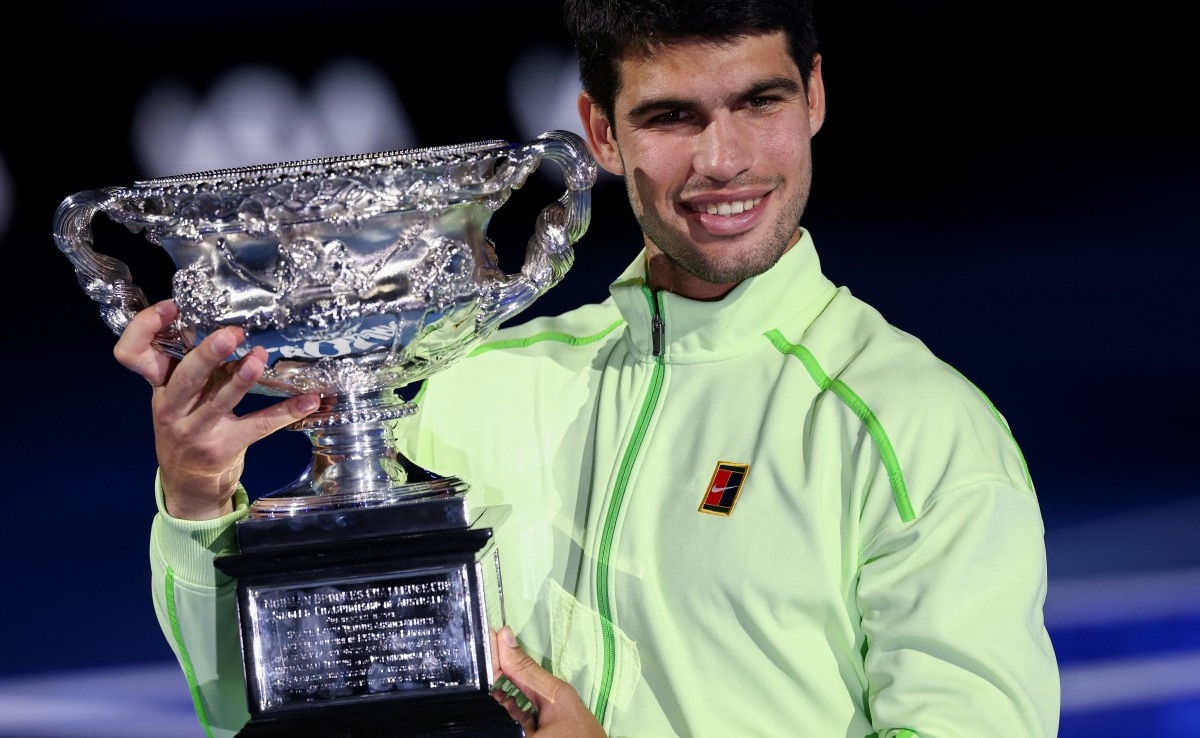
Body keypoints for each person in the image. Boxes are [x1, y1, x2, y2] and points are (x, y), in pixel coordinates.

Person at [115, 0, 1061, 736]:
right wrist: (200, 498)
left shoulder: (914, 425)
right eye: (670, 117)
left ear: (814, 96)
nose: (722, 159)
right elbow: (257, 710)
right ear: (600, 134)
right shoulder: (474, 388)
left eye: (758, 103)